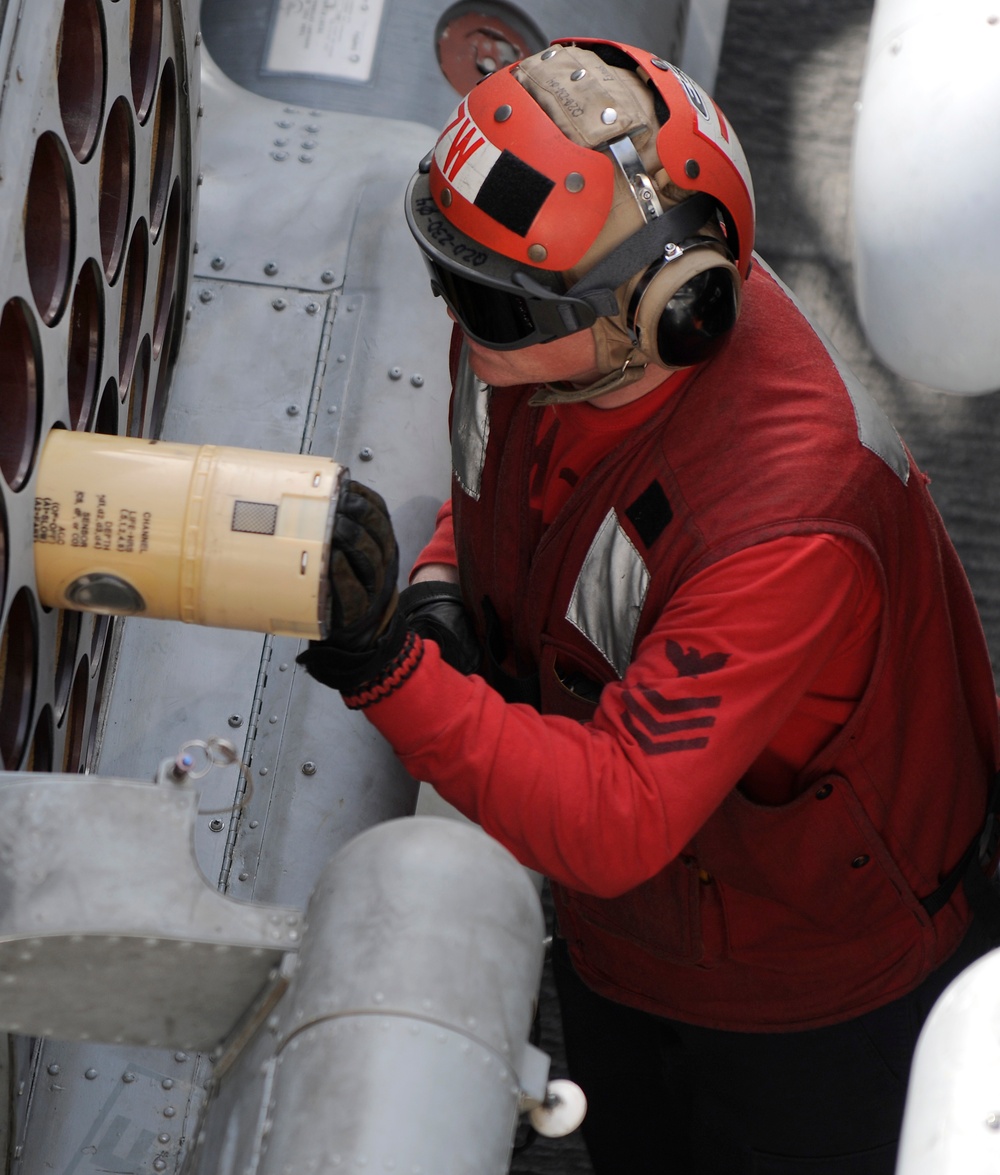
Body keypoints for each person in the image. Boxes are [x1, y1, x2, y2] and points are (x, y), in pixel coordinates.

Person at [298, 38, 1000, 1173]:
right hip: (637, 938)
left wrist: (389, 668)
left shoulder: (786, 519)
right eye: (450, 274)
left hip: (809, 987)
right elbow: (502, 505)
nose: (460, 315)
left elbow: (612, 817)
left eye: (494, 302)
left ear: (678, 309)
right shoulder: (536, 333)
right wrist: (433, 591)